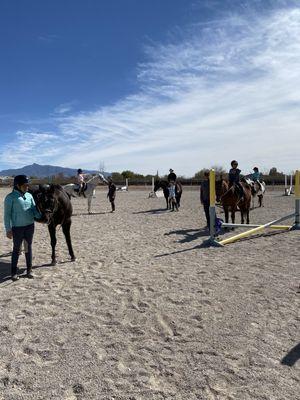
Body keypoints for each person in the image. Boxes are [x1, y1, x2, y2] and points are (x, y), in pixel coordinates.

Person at [4, 175, 41, 281]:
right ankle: (13, 273)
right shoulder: (10, 198)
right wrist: (8, 229)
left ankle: (29, 270)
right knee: (16, 249)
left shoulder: (29, 195)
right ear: (18, 185)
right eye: (25, 185)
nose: (27, 187)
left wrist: (41, 216)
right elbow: (7, 215)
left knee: (28, 248)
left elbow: (34, 210)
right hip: (17, 228)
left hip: (30, 226)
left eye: (28, 185)